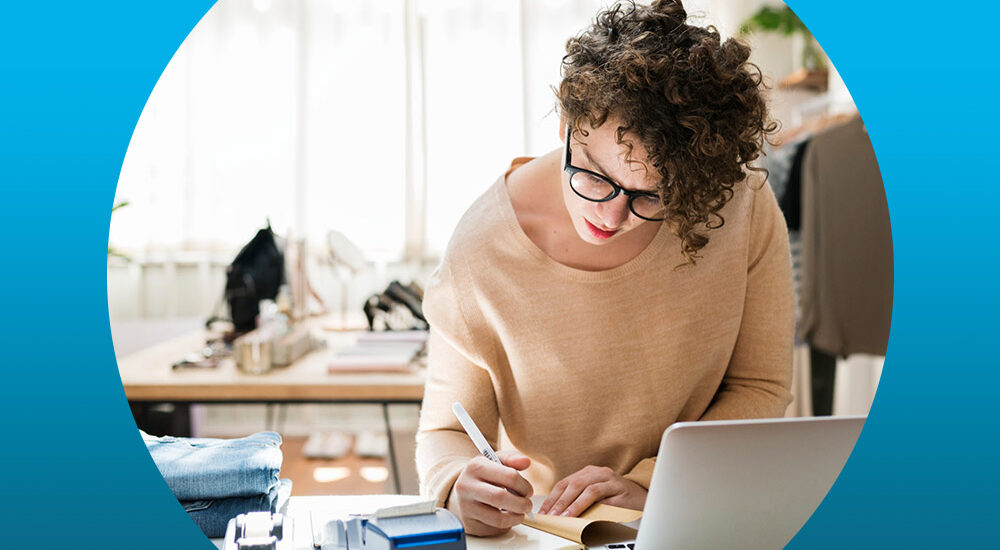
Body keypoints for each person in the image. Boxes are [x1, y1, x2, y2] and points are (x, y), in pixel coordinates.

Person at [415, 0, 794, 537]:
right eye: (594, 176)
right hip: (548, 533)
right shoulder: (481, 250)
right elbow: (446, 430)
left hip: (703, 515)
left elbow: (760, 385)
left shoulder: (738, 204)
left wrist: (654, 480)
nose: (612, 215)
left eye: (653, 195)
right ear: (569, 123)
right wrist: (457, 485)